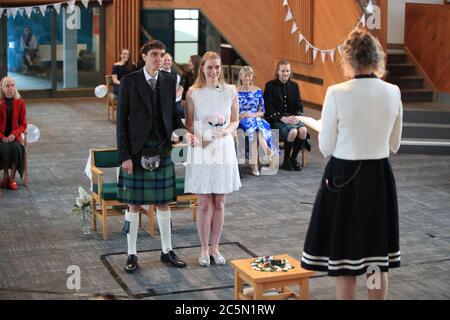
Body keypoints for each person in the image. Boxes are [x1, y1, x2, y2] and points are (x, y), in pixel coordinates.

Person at [301, 29, 403, 300]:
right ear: (377, 57)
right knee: (374, 256)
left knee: (346, 260)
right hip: (379, 176)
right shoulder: (393, 92)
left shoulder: (337, 93)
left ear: (348, 59)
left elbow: (325, 147)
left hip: (344, 177)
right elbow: (395, 143)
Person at [117, 40, 187, 273]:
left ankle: (167, 250)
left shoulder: (169, 81)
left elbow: (173, 117)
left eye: (162, 54)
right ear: (144, 56)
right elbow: (121, 123)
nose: (159, 59)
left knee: (163, 202)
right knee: (134, 204)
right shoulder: (129, 81)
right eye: (155, 54)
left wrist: (184, 134)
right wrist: (124, 156)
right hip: (136, 150)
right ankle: (131, 254)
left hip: (162, 148)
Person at [184, 51, 241, 267]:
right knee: (204, 202)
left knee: (220, 201)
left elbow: (235, 120)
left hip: (223, 147)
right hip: (202, 148)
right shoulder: (193, 92)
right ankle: (203, 249)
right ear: (202, 69)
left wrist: (226, 131)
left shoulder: (230, 91)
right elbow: (189, 123)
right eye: (210, 67)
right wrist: (191, 136)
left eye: (217, 67)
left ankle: (216, 248)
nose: (214, 71)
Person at [264, 60, 310, 172]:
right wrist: (283, 118)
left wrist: (297, 117)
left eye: (287, 71)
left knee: (303, 130)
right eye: (283, 71)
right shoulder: (270, 85)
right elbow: (269, 108)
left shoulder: (294, 85)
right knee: (293, 132)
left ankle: (293, 159)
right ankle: (286, 161)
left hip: (291, 118)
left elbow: (299, 105)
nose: (285, 73)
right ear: (278, 72)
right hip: (276, 119)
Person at [237, 66, 276, 176]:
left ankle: (255, 165)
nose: (247, 78)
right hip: (242, 120)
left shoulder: (258, 91)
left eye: (250, 75)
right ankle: (270, 154)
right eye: (245, 75)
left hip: (256, 118)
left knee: (257, 129)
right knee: (254, 130)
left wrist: (252, 114)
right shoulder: (235, 91)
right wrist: (243, 115)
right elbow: (233, 111)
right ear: (240, 77)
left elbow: (262, 112)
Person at [0, 77, 27, 191]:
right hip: (1, 136)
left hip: (14, 136)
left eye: (12, 85)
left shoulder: (20, 102)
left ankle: (12, 178)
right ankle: (5, 175)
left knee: (16, 148)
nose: (10, 88)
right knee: (5, 148)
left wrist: (14, 134)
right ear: (2, 88)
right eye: (7, 86)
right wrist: (2, 137)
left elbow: (23, 124)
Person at [162, 53, 185, 119]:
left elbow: (181, 88)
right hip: (162, 102)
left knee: (182, 114)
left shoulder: (177, 75)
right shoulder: (157, 74)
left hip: (175, 102)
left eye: (169, 60)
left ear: (171, 62)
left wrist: (173, 97)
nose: (167, 62)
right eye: (165, 60)